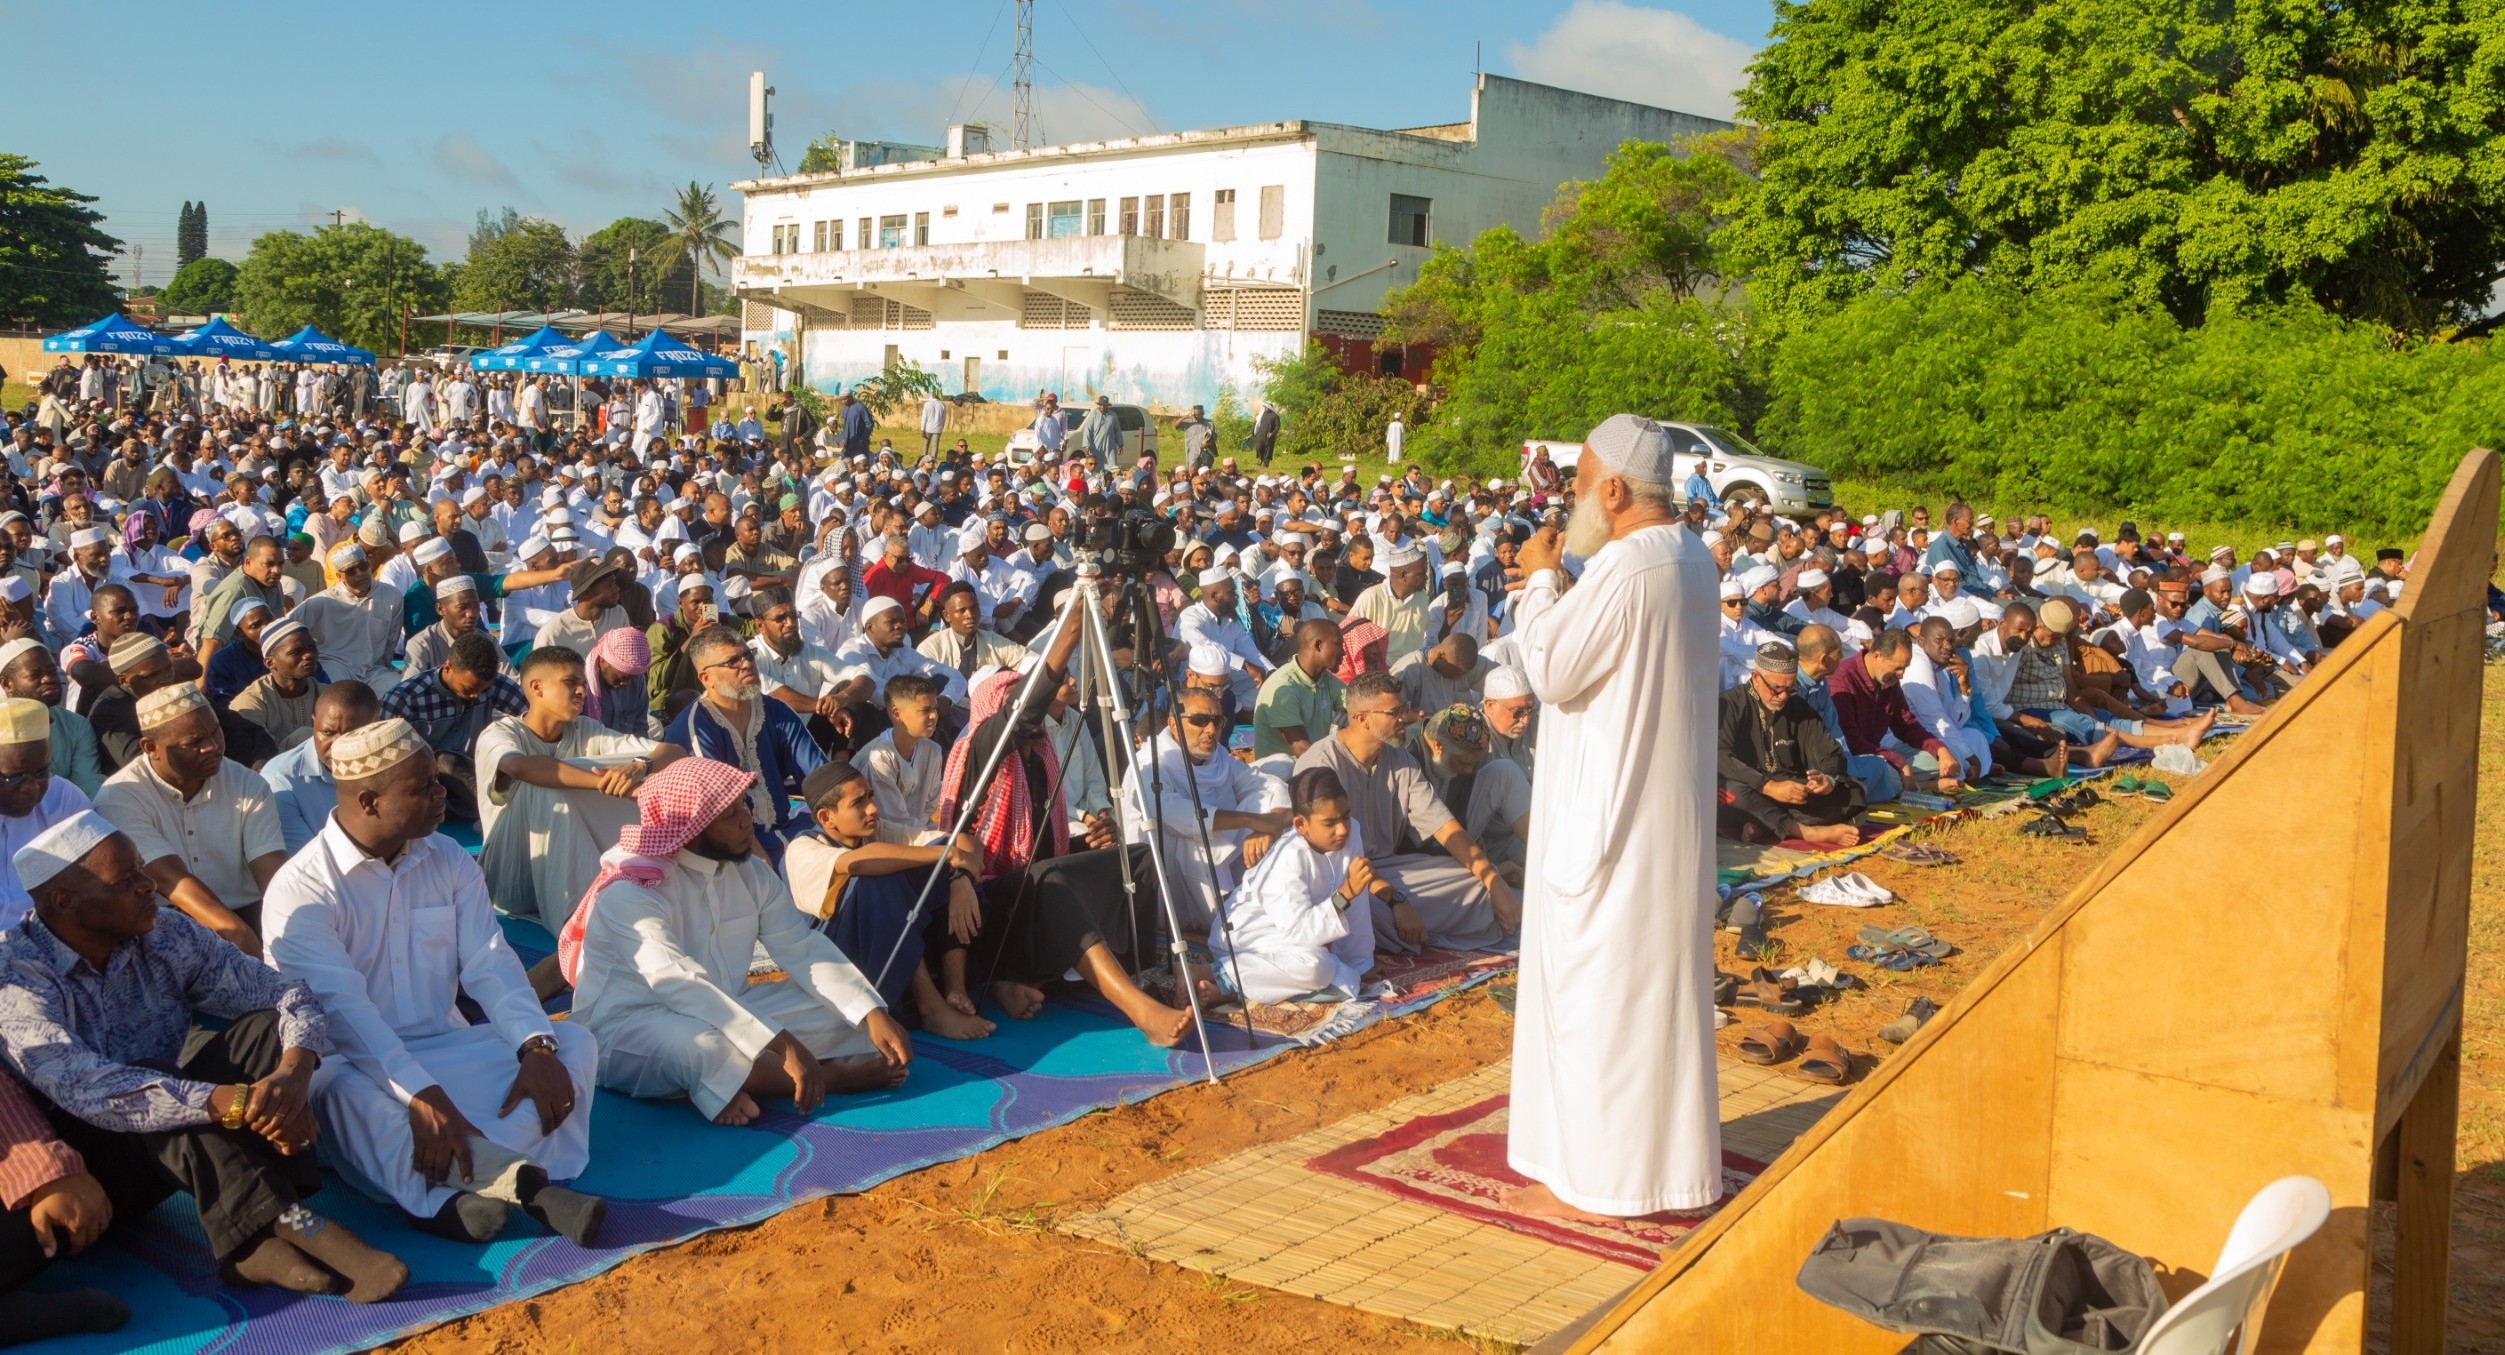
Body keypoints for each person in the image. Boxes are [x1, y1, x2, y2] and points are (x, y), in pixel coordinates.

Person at [0, 812, 409, 1302]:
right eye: (126, 880)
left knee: (266, 1033)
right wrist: (230, 1101)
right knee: (150, 1086)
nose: (149, 886)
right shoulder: (17, 973)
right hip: (87, 1172)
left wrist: (294, 1075)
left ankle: (252, 1243)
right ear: (65, 902)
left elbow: (283, 994)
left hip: (177, 1132)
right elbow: (92, 1090)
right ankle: (288, 1224)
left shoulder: (164, 932)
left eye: (142, 871)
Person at [261, 718, 606, 1246]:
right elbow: (346, 1016)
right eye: (424, 788)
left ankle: (462, 1176)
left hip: (449, 1048)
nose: (444, 795)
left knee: (572, 1043)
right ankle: (474, 1196)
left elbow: (490, 961)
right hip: (356, 1066)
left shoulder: (447, 857)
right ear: (370, 801)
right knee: (348, 1096)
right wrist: (422, 1094)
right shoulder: (301, 889)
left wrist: (534, 1047)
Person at [1504, 412, 1721, 1224]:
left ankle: (1608, 1178)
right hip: (1657, 825)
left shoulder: (1630, 566)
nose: (1569, 501)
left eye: (1577, 484)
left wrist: (1538, 579)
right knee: (1642, 1004)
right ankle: (1633, 1168)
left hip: (1610, 821)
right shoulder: (1690, 557)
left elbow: (1552, 666)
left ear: (1615, 490)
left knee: (1605, 1003)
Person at [558, 758, 914, 1125]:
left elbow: (801, 948)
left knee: (849, 1017)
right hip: (631, 1024)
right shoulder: (631, 893)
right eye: (730, 815)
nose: (747, 820)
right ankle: (833, 1078)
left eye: (743, 805)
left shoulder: (750, 874)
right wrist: (783, 1044)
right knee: (704, 1049)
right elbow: (681, 982)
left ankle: (743, 1080)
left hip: (730, 1003)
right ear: (692, 830)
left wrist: (871, 1010)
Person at [1294, 672, 1519, 953]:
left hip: (1389, 871)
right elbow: (1332, 862)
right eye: (1395, 712)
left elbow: (1445, 827)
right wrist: (1396, 900)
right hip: (1340, 881)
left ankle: (1405, 929)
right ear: (1362, 719)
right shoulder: (1321, 764)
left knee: (1479, 881)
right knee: (1364, 914)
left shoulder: (1400, 759)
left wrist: (1492, 879)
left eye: (1405, 709)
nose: (1406, 717)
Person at [780, 760, 996, 1041]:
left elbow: (963, 842)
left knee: (946, 872)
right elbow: (860, 863)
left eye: (871, 796)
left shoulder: (876, 830)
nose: (872, 808)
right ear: (826, 818)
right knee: (881, 880)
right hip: (837, 964)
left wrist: (959, 877)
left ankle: (956, 989)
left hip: (883, 947)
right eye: (859, 803)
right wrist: (948, 859)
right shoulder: (802, 848)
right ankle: (931, 1007)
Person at [476, 647, 682, 937]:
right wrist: (606, 785)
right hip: (510, 876)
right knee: (546, 782)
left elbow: (674, 751)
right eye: (570, 682)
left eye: (583, 684)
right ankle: (582, 924)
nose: (581, 691)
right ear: (536, 688)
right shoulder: (501, 733)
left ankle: (616, 889)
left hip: (568, 866)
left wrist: (640, 767)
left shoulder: (587, 729)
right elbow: (519, 766)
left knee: (658, 776)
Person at [91, 684, 287, 956]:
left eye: (216, 732)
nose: (212, 747)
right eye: (193, 743)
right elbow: (172, 880)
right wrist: (239, 936)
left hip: (251, 914)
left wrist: (290, 927)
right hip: (167, 925)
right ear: (151, 748)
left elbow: (273, 876)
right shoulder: (120, 797)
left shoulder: (246, 783)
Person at [1118, 688, 1291, 935]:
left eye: (1217, 722)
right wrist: (1252, 820)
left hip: (1220, 858)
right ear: (1174, 724)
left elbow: (1268, 785)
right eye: (1199, 721)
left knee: (1275, 781)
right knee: (1196, 834)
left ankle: (1263, 901)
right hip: (1166, 873)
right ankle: (1229, 923)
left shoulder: (1219, 758)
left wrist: (1269, 825)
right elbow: (1172, 813)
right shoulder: (1150, 762)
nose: (1211, 730)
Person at [1208, 766, 1384, 1004]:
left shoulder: (1352, 832)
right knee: (1316, 966)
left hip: (1294, 935)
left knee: (1343, 976)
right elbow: (1300, 934)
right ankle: (1217, 976)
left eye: (1345, 816)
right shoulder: (1288, 857)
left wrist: (1360, 963)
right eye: (1330, 823)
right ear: (1301, 825)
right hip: (1246, 935)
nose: (1342, 828)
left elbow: (1359, 903)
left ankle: (1248, 985)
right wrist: (1344, 894)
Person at [666, 624, 826, 858]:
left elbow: (819, 778)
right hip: (736, 850)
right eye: (733, 661)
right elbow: (721, 817)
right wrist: (763, 866)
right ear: (706, 678)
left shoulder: (775, 710)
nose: (746, 664)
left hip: (789, 832)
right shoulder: (695, 728)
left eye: (748, 655)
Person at [1717, 642, 1866, 846]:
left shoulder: (1797, 707)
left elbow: (1830, 751)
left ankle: (1765, 826)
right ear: (1756, 678)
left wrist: (1827, 779)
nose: (1784, 696)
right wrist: (1768, 787)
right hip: (1751, 791)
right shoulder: (1730, 704)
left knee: (1854, 792)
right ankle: (1808, 833)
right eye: (1777, 688)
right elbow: (1719, 757)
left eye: (1790, 688)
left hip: (1791, 794)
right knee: (1729, 790)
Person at [378, 633, 531, 823]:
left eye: (482, 690)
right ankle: (499, 810)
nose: (476, 696)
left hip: (478, 774)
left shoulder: (493, 686)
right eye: (468, 689)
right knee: (444, 761)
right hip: (425, 786)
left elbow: (532, 718)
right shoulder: (404, 699)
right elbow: (385, 761)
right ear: (448, 667)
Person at [0, 697, 95, 931]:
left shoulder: (64, 798)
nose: (32, 787)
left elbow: (94, 880)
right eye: (15, 777)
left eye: (42, 772)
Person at [263, 683, 380, 856]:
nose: (338, 746)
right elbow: (313, 864)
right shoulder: (280, 780)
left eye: (353, 735)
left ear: (377, 724)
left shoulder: (393, 763)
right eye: (327, 732)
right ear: (314, 720)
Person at [291, 545, 402, 694]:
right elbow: (287, 628)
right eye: (351, 571)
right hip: (335, 665)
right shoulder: (320, 602)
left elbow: (391, 642)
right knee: (340, 696)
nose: (360, 574)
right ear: (339, 576)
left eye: (363, 566)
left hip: (373, 670)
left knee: (399, 690)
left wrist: (385, 667)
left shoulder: (391, 595)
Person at [0, 639, 104, 798]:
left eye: (52, 670)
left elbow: (88, 789)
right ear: (7, 684)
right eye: (35, 675)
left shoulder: (76, 725)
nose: (49, 679)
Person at [856, 673, 945, 832]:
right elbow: (891, 819)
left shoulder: (933, 751)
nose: (934, 716)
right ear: (897, 714)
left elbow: (929, 807)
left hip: (916, 836)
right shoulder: (879, 756)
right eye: (925, 710)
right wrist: (934, 840)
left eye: (935, 709)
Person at [1251, 618, 1346, 762]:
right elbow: (1302, 749)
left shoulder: (1325, 679)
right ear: (1318, 645)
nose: (1344, 652)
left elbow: (1359, 706)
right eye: (1338, 644)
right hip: (1283, 774)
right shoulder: (1282, 687)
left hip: (1315, 764)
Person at [230, 620, 323, 753]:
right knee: (305, 735)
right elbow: (255, 756)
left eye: (312, 648)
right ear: (270, 663)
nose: (309, 655)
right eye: (297, 652)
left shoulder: (326, 695)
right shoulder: (250, 702)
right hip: (270, 771)